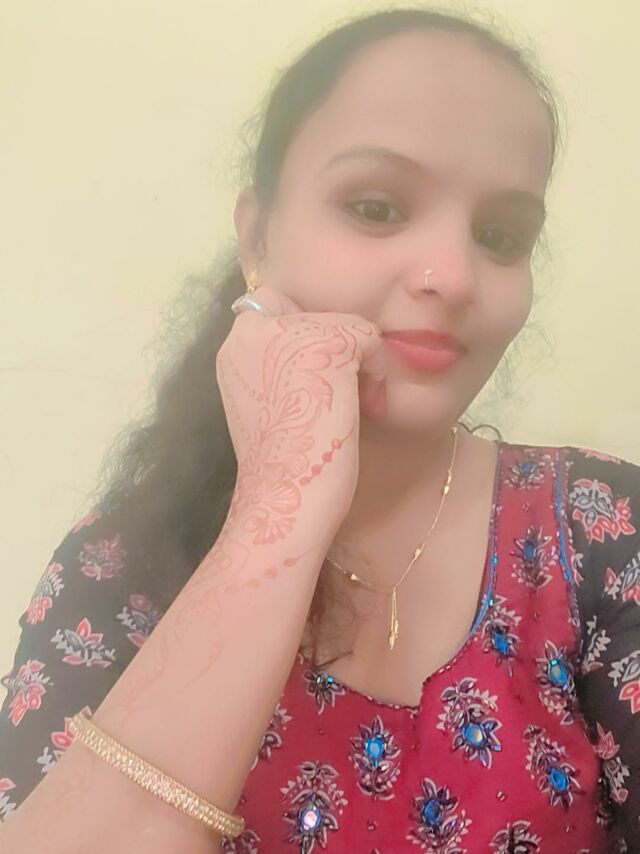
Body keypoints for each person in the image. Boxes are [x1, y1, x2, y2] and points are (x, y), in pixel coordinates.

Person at [1, 7, 638, 852]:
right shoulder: (118, 568)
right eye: (376, 206)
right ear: (257, 237)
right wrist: (281, 508)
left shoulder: (603, 531)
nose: (453, 275)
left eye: (499, 235)